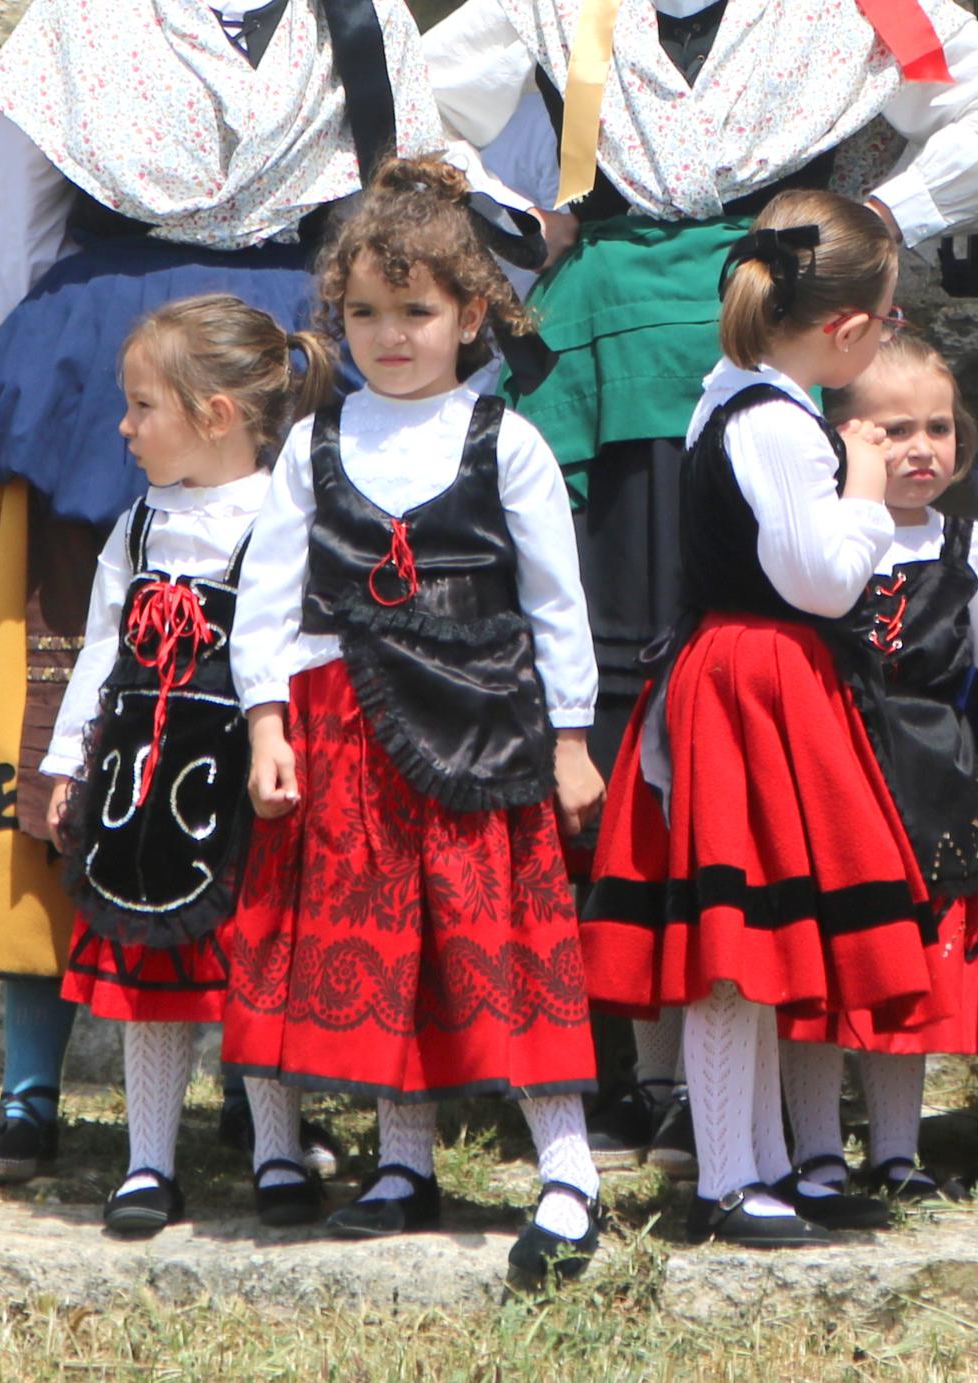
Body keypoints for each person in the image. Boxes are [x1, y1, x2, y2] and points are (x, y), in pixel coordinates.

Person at [0, 0, 439, 1191]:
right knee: (71, 704)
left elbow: (402, 199)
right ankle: (34, 1079)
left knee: (273, 723)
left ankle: (266, 1080)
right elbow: (15, 236)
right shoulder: (82, 0)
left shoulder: (353, 6)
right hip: (103, 386)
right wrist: (91, 368)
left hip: (292, 372)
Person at [426, 0, 978, 1151]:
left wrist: (888, 221)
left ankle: (764, 1063)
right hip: (611, 340)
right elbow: (415, 96)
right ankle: (615, 1049)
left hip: (776, 334)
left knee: (766, 699)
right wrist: (514, 216)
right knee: (616, 691)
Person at [222, 162, 605, 1292]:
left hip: (483, 726)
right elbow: (267, 595)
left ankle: (568, 1167)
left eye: (418, 311)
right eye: (366, 314)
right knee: (391, 951)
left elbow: (555, 601)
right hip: (344, 729)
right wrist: (263, 723)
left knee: (503, 947)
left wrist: (571, 739)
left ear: (470, 315)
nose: (391, 336)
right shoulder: (311, 443)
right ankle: (402, 1162)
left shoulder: (507, 439)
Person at [581, 192, 932, 1247]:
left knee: (764, 930)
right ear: (845, 329)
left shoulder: (730, 390)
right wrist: (865, 489)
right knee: (736, 945)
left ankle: (771, 1163)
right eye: (889, 316)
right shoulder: (780, 422)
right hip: (754, 681)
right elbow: (817, 578)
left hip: (745, 677)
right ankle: (728, 1176)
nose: (891, 329)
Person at [37, 294, 332, 1240]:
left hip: (240, 789)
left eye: (141, 407)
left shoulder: (283, 517)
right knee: (148, 980)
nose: (123, 427)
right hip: (138, 790)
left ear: (214, 415)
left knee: (256, 967)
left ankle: (276, 1147)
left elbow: (299, 651)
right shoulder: (136, 526)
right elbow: (99, 647)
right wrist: (65, 764)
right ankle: (147, 1159)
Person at [774, 325, 978, 1205]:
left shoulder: (966, 539)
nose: (920, 448)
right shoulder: (822, 536)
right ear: (843, 436)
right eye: (892, 431)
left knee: (911, 961)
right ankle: (817, 1149)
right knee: (826, 962)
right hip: (832, 761)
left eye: (936, 427)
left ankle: (897, 1149)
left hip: (931, 766)